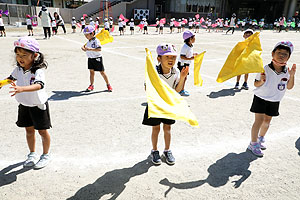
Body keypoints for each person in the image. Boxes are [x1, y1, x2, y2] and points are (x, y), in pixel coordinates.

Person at [0, 37, 51, 169]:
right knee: (29, 131)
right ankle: (32, 154)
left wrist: (21, 89)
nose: (19, 58)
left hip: (38, 105)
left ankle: (46, 155)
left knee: (42, 132)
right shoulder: (18, 69)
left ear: (34, 56)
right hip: (24, 105)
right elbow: (11, 79)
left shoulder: (38, 71)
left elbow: (39, 85)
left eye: (24, 55)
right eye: (17, 54)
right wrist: (2, 83)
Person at [143, 43, 189, 165]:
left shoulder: (176, 71)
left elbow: (177, 90)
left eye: (173, 57)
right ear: (159, 59)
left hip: (169, 104)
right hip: (156, 104)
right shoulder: (153, 71)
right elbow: (147, 88)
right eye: (167, 57)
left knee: (167, 128)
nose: (171, 60)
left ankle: (167, 150)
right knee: (156, 128)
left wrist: (183, 77)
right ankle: (154, 150)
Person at [248, 41, 296, 157]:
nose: (281, 56)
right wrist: (261, 81)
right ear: (272, 53)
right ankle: (253, 143)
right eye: (279, 53)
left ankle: (261, 138)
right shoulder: (264, 68)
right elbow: (256, 84)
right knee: (258, 121)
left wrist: (292, 75)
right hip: (261, 97)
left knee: (267, 121)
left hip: (275, 99)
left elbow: (289, 87)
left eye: (285, 54)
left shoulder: (287, 71)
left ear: (288, 57)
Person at [81, 25, 112, 92]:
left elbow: (99, 49)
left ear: (92, 33)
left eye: (87, 35)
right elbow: (86, 48)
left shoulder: (96, 41)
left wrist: (89, 49)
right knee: (91, 72)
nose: (86, 36)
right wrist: (84, 49)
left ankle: (108, 84)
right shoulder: (88, 41)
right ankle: (91, 85)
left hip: (97, 58)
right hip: (90, 59)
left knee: (102, 72)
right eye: (85, 35)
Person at [177, 30, 197, 96]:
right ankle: (180, 90)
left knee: (184, 78)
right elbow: (182, 56)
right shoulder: (185, 47)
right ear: (190, 39)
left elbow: (188, 54)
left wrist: (193, 54)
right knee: (182, 78)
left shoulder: (190, 45)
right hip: (182, 64)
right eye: (194, 37)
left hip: (186, 64)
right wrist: (191, 58)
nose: (195, 39)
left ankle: (182, 89)